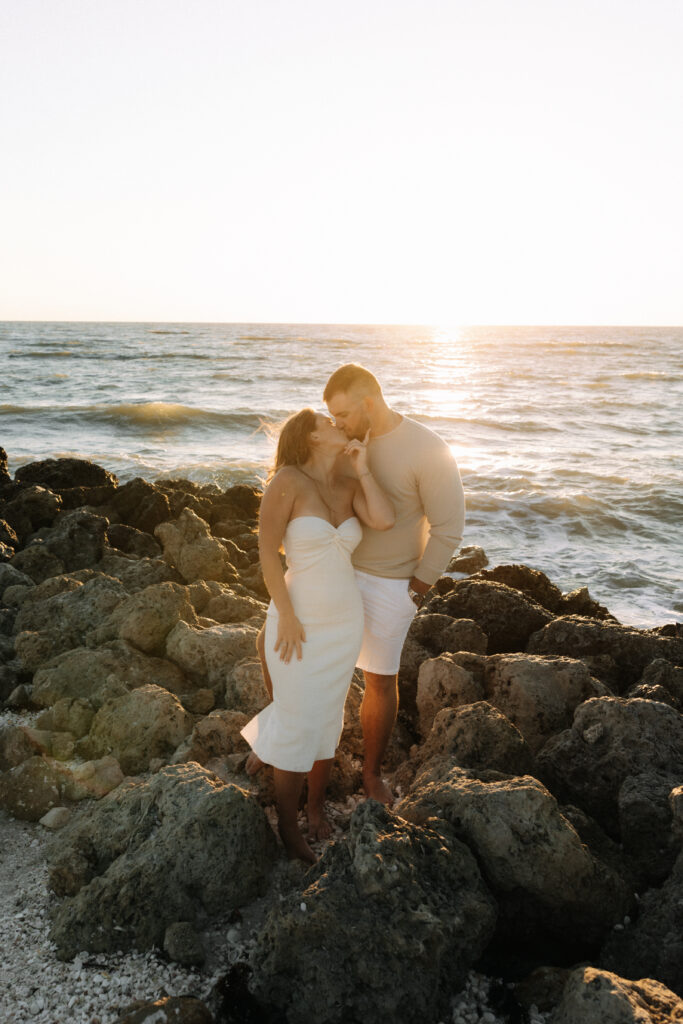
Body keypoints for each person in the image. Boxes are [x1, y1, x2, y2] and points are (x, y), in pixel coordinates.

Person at [240, 408, 395, 863]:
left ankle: (313, 807)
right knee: (295, 720)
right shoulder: (286, 481)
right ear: (309, 436)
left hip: (344, 623)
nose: (336, 423)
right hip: (298, 620)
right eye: (327, 422)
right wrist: (285, 615)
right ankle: (289, 830)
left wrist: (363, 468)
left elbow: (383, 520)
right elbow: (268, 554)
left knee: (328, 718)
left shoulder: (348, 483)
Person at [322, 363, 465, 805]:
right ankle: (283, 747)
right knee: (315, 668)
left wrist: (416, 591)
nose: (337, 423)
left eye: (343, 414)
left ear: (369, 402)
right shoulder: (341, 441)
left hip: (391, 585)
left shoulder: (426, 447)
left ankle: (371, 774)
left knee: (379, 682)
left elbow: (449, 528)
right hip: (336, 573)